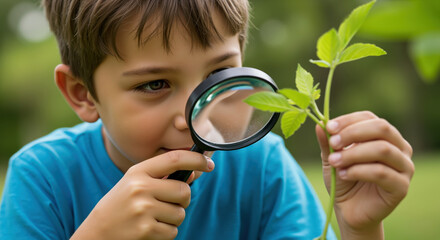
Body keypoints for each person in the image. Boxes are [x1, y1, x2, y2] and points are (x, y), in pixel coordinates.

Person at [0, 0, 414, 239]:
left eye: (219, 77)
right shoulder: (43, 178)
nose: (193, 116)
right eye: (155, 84)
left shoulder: (262, 165)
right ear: (82, 93)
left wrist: (361, 230)